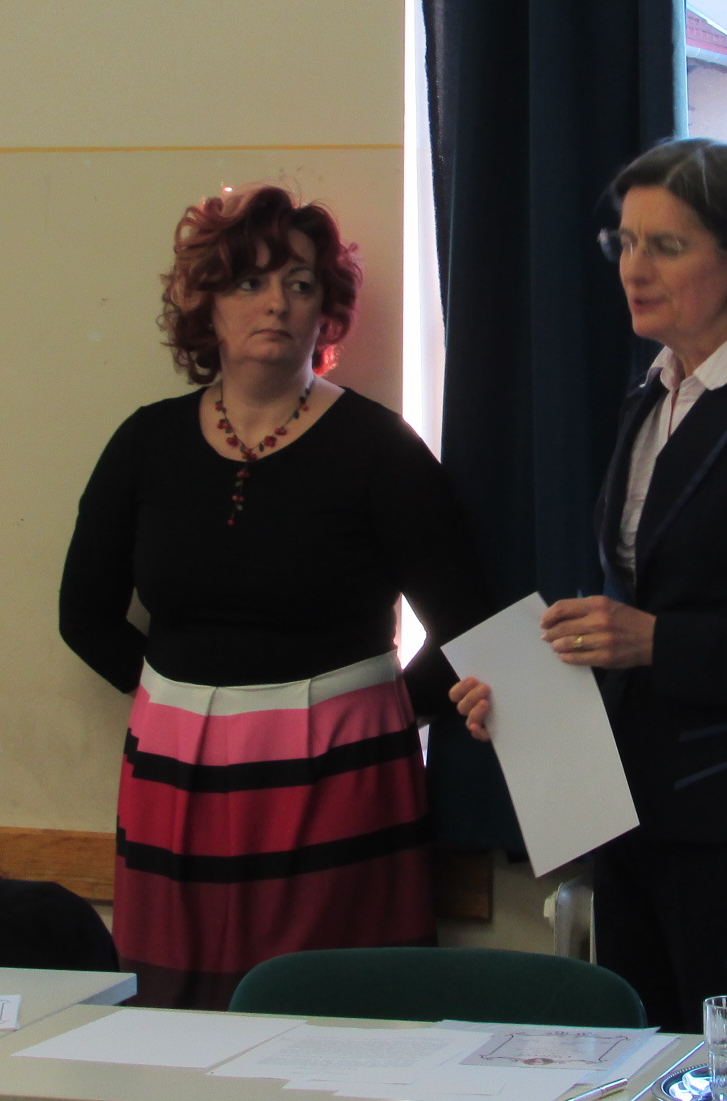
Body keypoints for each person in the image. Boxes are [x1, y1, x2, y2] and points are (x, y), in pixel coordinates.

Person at [451, 139, 727, 1032]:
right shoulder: (650, 399)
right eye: (624, 242)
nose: (633, 268)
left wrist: (656, 640)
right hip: (634, 818)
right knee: (640, 1086)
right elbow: (635, 615)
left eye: (667, 245)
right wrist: (531, 696)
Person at [59, 186, 490, 1009]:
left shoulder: (380, 449)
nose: (277, 304)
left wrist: (374, 720)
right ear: (206, 307)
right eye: (249, 283)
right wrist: (174, 708)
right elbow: (83, 616)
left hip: (343, 784)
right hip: (175, 783)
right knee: (176, 1019)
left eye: (300, 284)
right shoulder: (146, 442)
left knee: (332, 1021)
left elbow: (473, 626)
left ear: (326, 312)